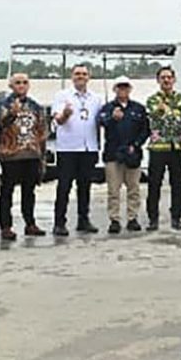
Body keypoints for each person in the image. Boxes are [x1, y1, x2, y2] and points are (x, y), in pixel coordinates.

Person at [51, 64, 104, 236]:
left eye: (84, 74)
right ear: (72, 76)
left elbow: (100, 120)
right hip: (67, 148)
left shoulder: (96, 98)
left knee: (85, 186)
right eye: (77, 74)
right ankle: (59, 222)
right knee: (64, 186)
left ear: (89, 77)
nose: (81, 76)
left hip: (89, 147)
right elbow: (58, 120)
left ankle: (83, 219)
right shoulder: (62, 95)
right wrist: (66, 114)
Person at [0, 73, 48, 240]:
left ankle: (30, 223)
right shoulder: (4, 104)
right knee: (7, 191)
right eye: (18, 83)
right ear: (11, 86)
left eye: (25, 82)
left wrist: (42, 155)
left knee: (29, 191)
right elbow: (2, 122)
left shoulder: (35, 106)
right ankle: (6, 226)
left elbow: (41, 130)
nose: (21, 85)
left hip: (31, 153)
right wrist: (12, 113)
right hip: (10, 153)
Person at [145, 66, 181, 231]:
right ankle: (153, 219)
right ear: (158, 80)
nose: (166, 80)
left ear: (174, 80)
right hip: (158, 148)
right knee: (154, 185)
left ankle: (176, 218)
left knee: (177, 185)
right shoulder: (152, 100)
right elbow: (153, 119)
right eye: (163, 77)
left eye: (169, 77)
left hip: (176, 148)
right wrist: (160, 110)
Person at [100, 77, 150, 233]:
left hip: (132, 154)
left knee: (134, 189)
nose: (123, 90)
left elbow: (145, 130)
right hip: (113, 154)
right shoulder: (107, 108)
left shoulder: (139, 108)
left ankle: (132, 218)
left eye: (125, 87)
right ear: (114, 89)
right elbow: (102, 123)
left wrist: (136, 145)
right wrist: (112, 118)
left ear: (130, 89)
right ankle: (114, 219)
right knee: (113, 190)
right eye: (119, 87)